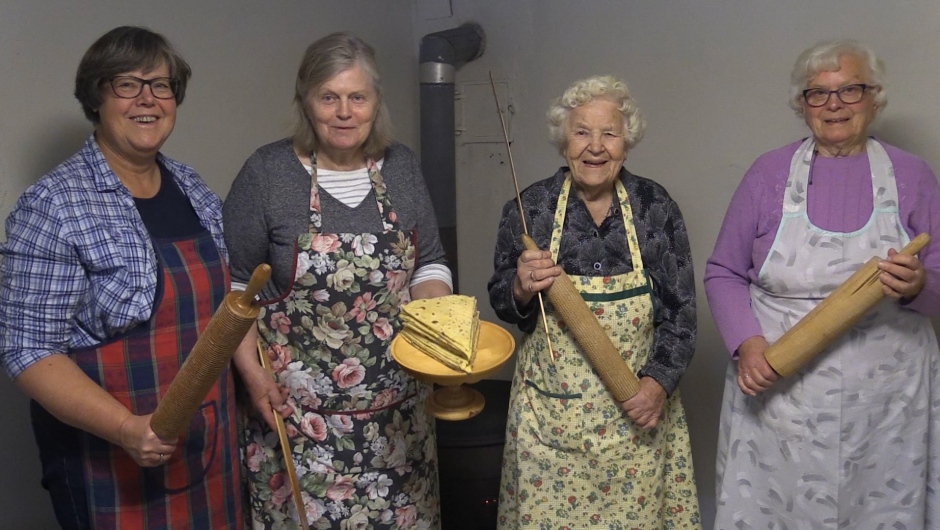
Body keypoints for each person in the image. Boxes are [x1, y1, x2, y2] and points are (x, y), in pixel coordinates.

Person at [0, 27, 242, 529]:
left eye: (161, 84)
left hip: (206, 443)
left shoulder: (194, 189)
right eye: (127, 85)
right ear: (97, 96)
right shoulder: (53, 206)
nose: (147, 99)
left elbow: (226, 309)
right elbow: (28, 349)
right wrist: (128, 428)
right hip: (109, 457)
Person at [706, 39, 940, 528]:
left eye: (850, 90)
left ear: (875, 99)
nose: (834, 104)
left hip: (887, 403)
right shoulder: (767, 175)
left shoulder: (913, 176)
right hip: (780, 395)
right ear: (803, 105)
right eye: (819, 93)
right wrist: (748, 347)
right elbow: (724, 271)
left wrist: (918, 283)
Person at [224, 32, 451, 529]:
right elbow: (235, 288)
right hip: (298, 425)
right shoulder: (267, 174)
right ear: (306, 102)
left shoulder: (402, 167)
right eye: (329, 97)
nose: (344, 112)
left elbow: (429, 262)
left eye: (357, 97)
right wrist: (252, 376)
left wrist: (443, 333)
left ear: (375, 103)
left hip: (399, 424)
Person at [488, 75, 701, 528]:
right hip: (550, 419)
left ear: (628, 143)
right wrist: (522, 287)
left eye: (610, 133)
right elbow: (502, 302)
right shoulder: (532, 208)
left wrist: (656, 386)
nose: (595, 146)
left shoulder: (654, 206)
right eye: (582, 131)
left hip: (637, 411)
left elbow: (681, 311)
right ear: (564, 139)